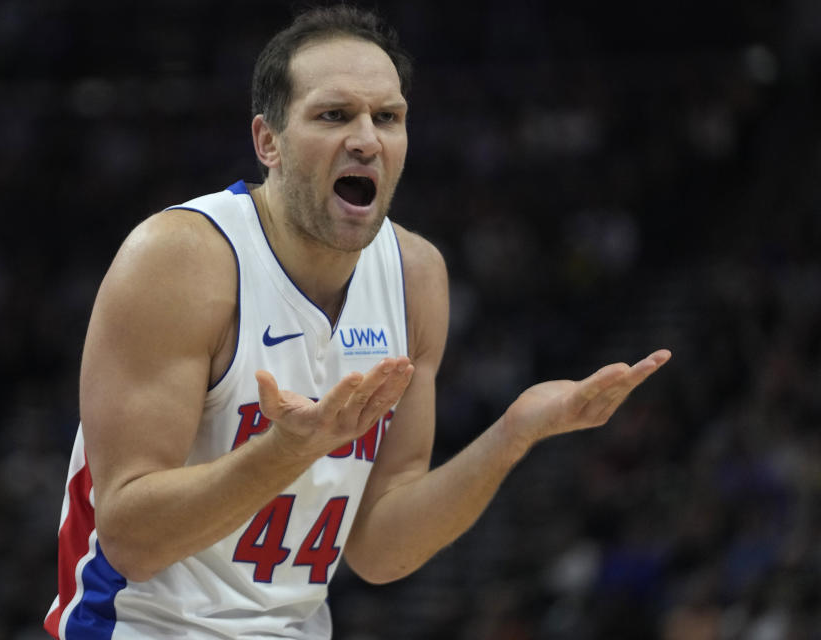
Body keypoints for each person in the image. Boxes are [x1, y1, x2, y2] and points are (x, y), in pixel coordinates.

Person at [44, 5, 671, 638]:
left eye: (388, 117)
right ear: (269, 142)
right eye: (334, 115)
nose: (367, 139)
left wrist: (511, 435)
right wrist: (287, 451)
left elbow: (378, 548)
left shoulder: (416, 277)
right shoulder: (182, 260)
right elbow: (130, 539)